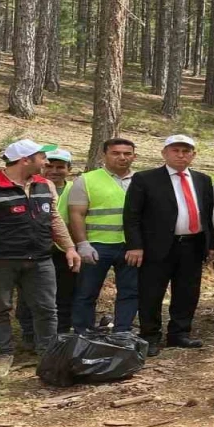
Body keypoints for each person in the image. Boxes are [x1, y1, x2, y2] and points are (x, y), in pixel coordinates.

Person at [0, 140, 81, 377]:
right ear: (26, 160)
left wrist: (70, 248)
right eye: (42, 157)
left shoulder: (45, 185)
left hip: (40, 259)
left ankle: (48, 353)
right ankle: (2, 354)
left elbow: (54, 219)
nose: (46, 162)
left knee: (46, 308)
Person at [123, 135, 214, 357]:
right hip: (157, 246)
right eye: (176, 151)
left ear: (193, 155)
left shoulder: (203, 180)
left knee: (187, 291)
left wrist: (210, 245)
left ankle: (179, 334)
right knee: (151, 292)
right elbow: (131, 215)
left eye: (186, 151)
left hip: (192, 245)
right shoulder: (145, 179)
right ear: (164, 153)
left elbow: (209, 214)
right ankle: (150, 336)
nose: (181, 155)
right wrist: (135, 245)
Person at [67, 138, 140, 334]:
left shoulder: (141, 180)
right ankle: (83, 331)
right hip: (97, 245)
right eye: (116, 153)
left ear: (134, 156)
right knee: (86, 292)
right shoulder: (87, 180)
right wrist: (82, 243)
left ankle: (123, 331)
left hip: (131, 246)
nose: (122, 157)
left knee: (130, 291)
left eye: (127, 153)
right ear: (104, 155)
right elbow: (76, 213)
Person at [19, 148, 77, 340]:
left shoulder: (75, 189)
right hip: (33, 249)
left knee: (64, 292)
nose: (54, 170)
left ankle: (60, 333)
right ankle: (29, 334)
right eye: (50, 165)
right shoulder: (30, 186)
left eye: (60, 167)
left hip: (64, 250)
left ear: (69, 169)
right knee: (28, 294)